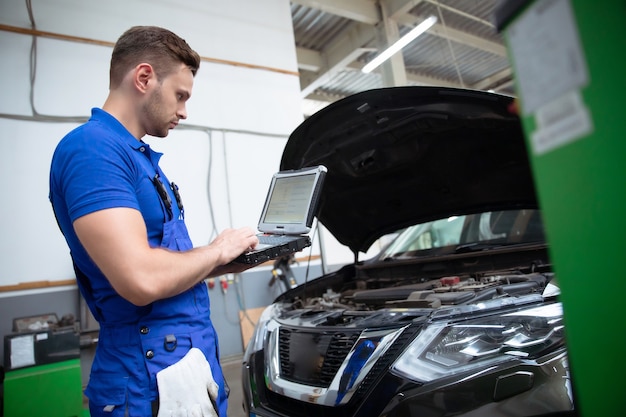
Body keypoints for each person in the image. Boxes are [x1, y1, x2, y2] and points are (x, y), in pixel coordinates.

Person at [49, 26, 259, 416]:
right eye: (180, 95)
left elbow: (167, 263)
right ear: (144, 78)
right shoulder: (92, 150)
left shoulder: (139, 158)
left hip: (184, 365)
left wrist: (237, 257)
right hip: (145, 378)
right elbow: (141, 279)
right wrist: (216, 249)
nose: (183, 111)